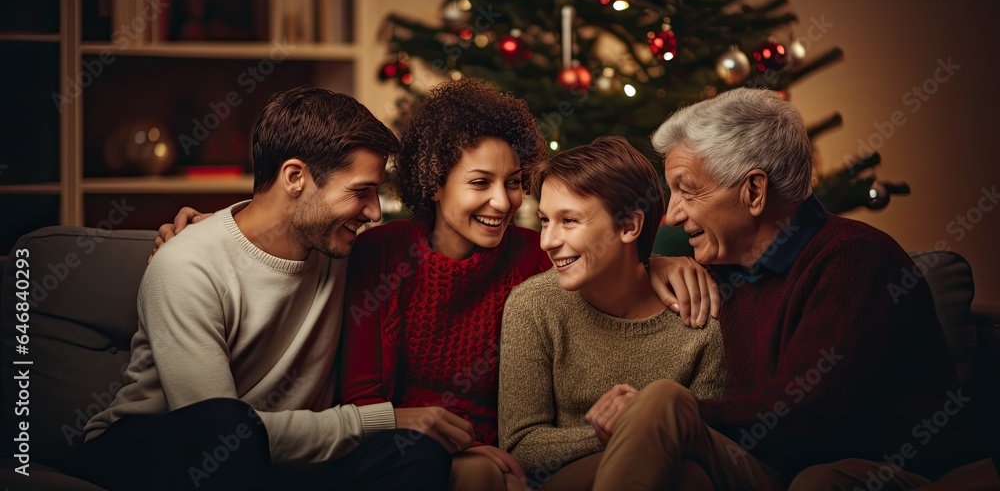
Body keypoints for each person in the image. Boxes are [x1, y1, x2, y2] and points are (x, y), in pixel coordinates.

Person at [158, 79, 721, 490]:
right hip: (402, 452)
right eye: (480, 182)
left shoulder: (534, 258)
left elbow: (605, 256)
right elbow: (287, 232)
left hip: (489, 453)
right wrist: (206, 230)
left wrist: (659, 262)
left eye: (515, 183)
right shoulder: (371, 251)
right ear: (434, 180)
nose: (503, 202)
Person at [588, 87, 989, 491]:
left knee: (814, 480)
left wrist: (675, 411)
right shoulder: (723, 263)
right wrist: (652, 266)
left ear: (754, 191)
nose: (672, 214)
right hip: (776, 467)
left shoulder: (855, 259)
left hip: (885, 470)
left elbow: (804, 416)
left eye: (687, 191)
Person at [80, 87, 458, 491]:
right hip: (156, 448)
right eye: (360, 191)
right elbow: (217, 432)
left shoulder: (346, 249)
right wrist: (378, 419)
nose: (374, 212)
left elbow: (448, 241)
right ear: (295, 177)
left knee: (418, 454)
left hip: (284, 455)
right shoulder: (188, 265)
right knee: (225, 425)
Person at [498, 136, 727, 490]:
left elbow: (709, 442)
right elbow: (520, 445)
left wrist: (647, 423)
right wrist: (630, 430)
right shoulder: (533, 305)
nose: (547, 241)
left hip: (676, 477)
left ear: (628, 226)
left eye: (569, 220)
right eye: (545, 220)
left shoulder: (697, 318)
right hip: (568, 480)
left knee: (691, 476)